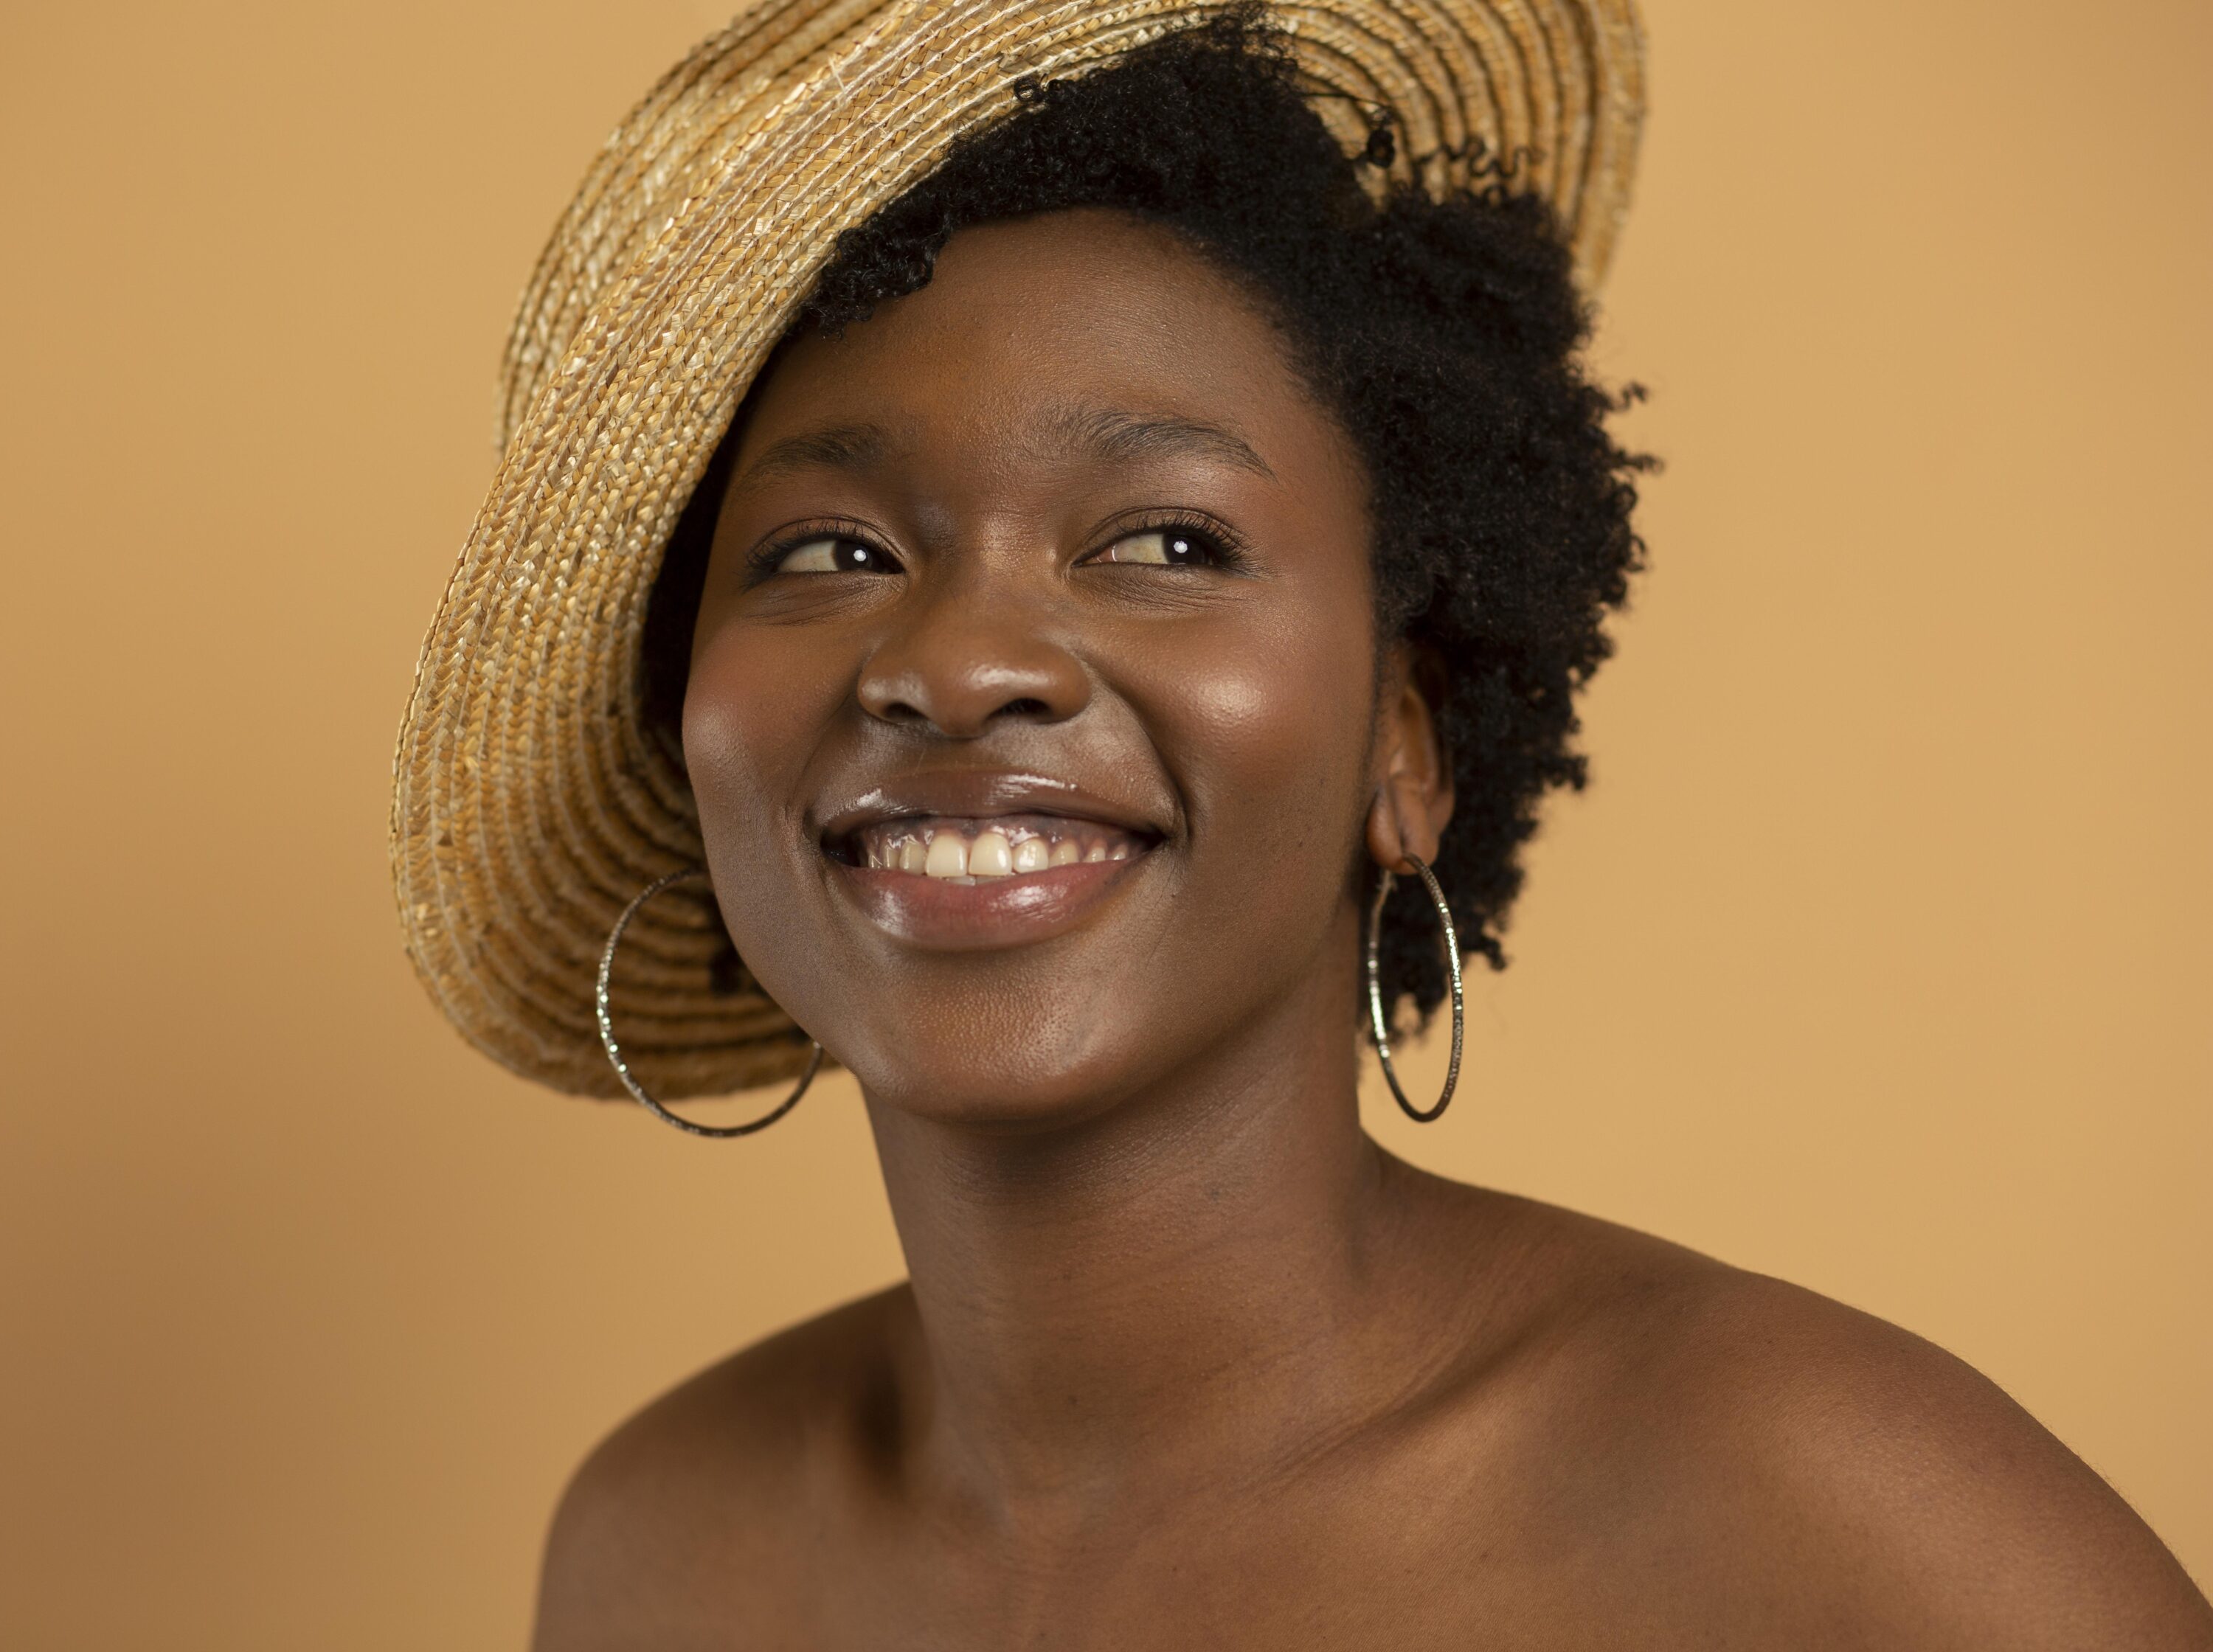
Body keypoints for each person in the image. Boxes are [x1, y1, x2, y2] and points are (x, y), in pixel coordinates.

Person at [389, 3, 2213, 1644]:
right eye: (831, 553)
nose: (957, 664)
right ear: (683, 721)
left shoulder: (1830, 1525)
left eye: (1164, 542)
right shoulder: (660, 1555)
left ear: (1403, 740)